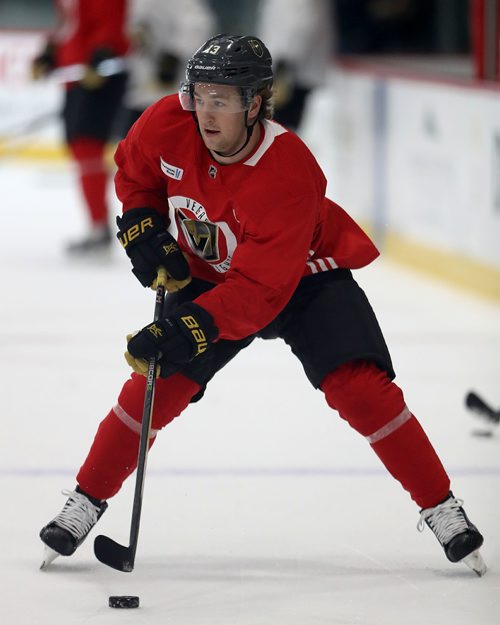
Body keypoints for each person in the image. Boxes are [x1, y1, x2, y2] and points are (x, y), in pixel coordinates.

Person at [40, 34, 486, 576]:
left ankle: (442, 507)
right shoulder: (166, 121)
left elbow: (259, 292)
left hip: (303, 279)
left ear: (255, 104)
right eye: (200, 95)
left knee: (360, 387)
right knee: (155, 385)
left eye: (222, 99)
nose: (205, 112)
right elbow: (137, 176)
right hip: (210, 276)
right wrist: (144, 228)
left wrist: (190, 326)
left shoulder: (287, 172)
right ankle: (85, 500)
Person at [32, 0, 129, 255]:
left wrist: (102, 54)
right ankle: (97, 225)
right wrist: (51, 52)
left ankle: (99, 227)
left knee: (87, 148)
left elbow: (109, 18)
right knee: (80, 149)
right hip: (75, 72)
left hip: (98, 73)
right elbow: (69, 23)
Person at [117, 0, 216, 135]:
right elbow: (135, 21)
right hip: (142, 84)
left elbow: (197, 25)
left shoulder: (185, 5)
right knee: (135, 137)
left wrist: (174, 55)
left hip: (172, 86)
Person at [256, 0, 334, 131]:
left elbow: (304, 25)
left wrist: (285, 63)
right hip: (287, 69)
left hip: (293, 73)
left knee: (282, 125)